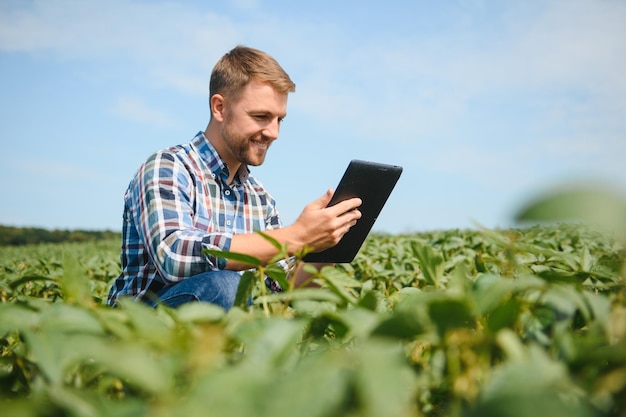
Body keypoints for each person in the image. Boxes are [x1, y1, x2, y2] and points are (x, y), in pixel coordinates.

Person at [107, 45, 362, 310]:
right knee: (225, 286)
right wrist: (297, 236)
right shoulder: (169, 167)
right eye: (261, 116)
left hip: (222, 333)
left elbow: (286, 294)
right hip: (140, 331)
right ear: (220, 108)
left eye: (279, 120)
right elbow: (174, 256)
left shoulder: (260, 199)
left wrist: (323, 245)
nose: (273, 132)